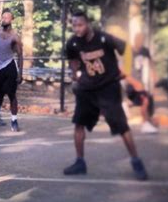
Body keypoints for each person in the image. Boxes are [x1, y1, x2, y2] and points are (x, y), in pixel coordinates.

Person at [63, 11, 147, 180]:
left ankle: (136, 161)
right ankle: (80, 162)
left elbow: (128, 49)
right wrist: (75, 73)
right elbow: (72, 59)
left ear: (88, 24)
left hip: (108, 87)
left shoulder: (104, 38)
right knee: (79, 124)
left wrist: (127, 70)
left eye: (80, 25)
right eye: (74, 25)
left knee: (122, 126)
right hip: (87, 89)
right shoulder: (72, 43)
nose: (77, 28)